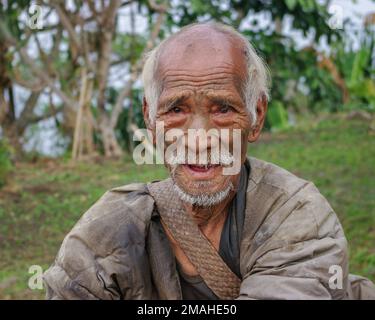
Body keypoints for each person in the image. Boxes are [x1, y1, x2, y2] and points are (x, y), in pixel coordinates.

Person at [43, 22, 375, 300]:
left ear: (256, 116)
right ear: (149, 117)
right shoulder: (106, 230)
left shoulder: (297, 217)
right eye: (176, 109)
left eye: (223, 109)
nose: (199, 138)